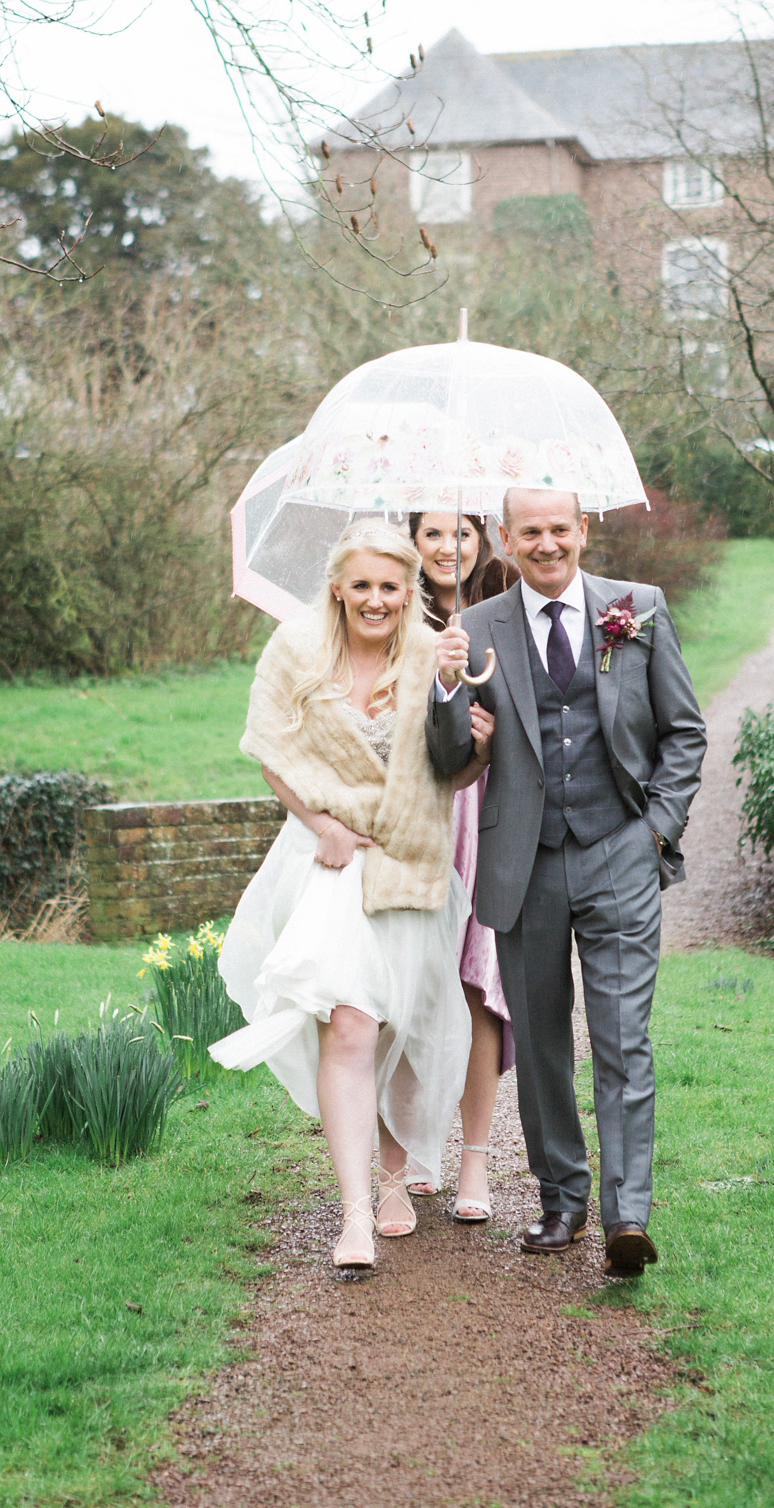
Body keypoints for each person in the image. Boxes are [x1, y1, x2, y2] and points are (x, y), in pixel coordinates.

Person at [425, 488, 707, 1276]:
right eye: (530, 533)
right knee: (544, 1042)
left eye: (560, 529)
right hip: (523, 859)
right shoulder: (474, 629)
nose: (546, 545)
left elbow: (684, 731)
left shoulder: (636, 609)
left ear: (582, 532)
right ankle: (562, 1200)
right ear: (505, 542)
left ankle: (627, 1215)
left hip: (621, 849)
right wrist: (446, 689)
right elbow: (449, 761)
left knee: (622, 1039)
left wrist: (657, 828)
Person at [210, 520, 491, 1272]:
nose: (375, 600)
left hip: (408, 859)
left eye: (390, 588)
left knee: (400, 1027)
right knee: (351, 1027)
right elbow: (269, 747)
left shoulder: (438, 653)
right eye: (361, 585)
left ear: (410, 591)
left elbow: (452, 773)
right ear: (337, 585)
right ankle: (356, 1213)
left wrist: (463, 717)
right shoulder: (296, 649)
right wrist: (318, 821)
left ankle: (398, 1179)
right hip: (326, 865)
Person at [408, 509, 518, 1222]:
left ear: (481, 542)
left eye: (463, 535)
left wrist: (493, 733)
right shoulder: (393, 611)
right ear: (412, 544)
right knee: (410, 982)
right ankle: (417, 1147)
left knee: (478, 982)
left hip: (487, 816)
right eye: (433, 535)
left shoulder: (506, 613)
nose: (449, 547)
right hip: (418, 815)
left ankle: (474, 1162)